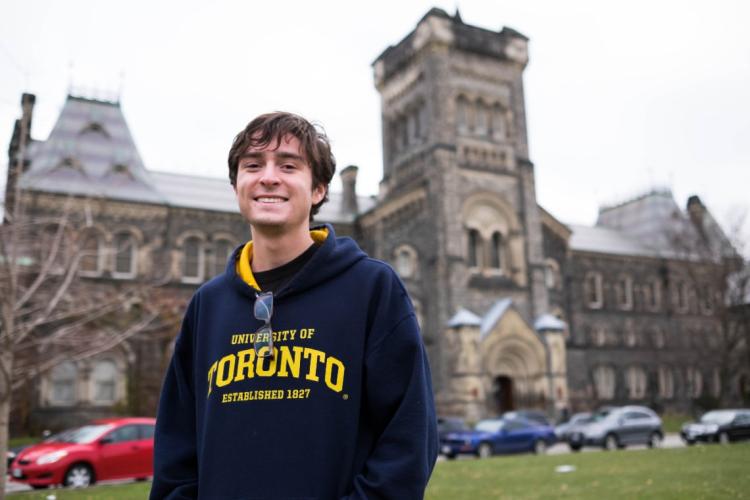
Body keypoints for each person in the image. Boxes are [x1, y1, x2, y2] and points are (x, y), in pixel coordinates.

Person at [150, 112, 438, 499]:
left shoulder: (371, 288)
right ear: (237, 185)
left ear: (318, 189)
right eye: (253, 165)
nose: (269, 176)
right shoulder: (208, 305)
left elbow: (408, 438)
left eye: (288, 165)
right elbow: (176, 446)